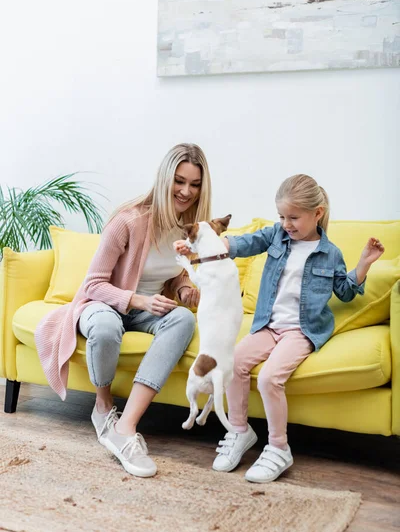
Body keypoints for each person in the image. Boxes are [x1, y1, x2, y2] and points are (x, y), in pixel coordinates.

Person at [178, 173, 384, 483]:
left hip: (301, 331)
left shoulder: (331, 254)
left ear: (318, 213)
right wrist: (208, 243)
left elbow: (344, 290)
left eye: (294, 217)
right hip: (268, 326)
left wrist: (364, 263)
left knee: (270, 378)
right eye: (282, 216)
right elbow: (246, 242)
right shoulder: (277, 235)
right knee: (234, 364)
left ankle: (278, 448)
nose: (286, 223)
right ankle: (239, 430)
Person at [35, 143, 212, 478]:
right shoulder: (128, 221)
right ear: (164, 179)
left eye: (195, 184)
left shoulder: (190, 229)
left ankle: (126, 427)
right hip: (102, 304)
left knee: (182, 320)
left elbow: (173, 271)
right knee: (105, 327)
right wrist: (139, 300)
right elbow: (92, 285)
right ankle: (102, 407)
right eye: (179, 180)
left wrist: (184, 287)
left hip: (146, 309)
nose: (186, 191)